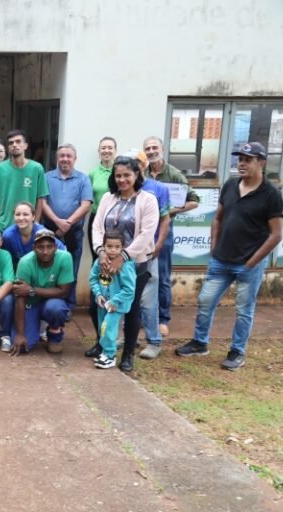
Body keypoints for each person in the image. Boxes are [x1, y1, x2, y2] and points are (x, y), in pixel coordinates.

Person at [176, 142, 283, 370]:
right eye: (239, 159)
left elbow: (276, 235)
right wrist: (214, 247)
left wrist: (252, 262)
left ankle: (237, 351)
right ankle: (200, 343)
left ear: (261, 163)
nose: (241, 164)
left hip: (248, 265)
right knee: (205, 301)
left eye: (247, 159)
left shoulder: (271, 194)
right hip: (221, 260)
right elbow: (218, 218)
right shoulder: (230, 186)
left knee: (244, 310)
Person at [88, 156, 159, 372]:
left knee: (130, 309)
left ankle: (127, 354)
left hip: (134, 264)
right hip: (105, 263)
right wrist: (101, 253)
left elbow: (147, 233)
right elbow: (97, 227)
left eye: (127, 175)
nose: (122, 180)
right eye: (118, 175)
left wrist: (123, 257)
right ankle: (104, 345)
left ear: (136, 175)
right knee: (97, 306)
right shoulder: (109, 199)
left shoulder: (148, 200)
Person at [143, 136, 199, 337]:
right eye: (147, 148)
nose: (151, 151)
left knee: (163, 276)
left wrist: (169, 211)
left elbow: (194, 201)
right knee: (143, 275)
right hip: (143, 233)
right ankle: (144, 316)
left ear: (163, 149)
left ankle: (163, 319)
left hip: (163, 232)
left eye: (154, 147)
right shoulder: (143, 174)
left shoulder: (174, 175)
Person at [126, 150, 171, 360]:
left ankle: (153, 340)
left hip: (146, 252)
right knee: (125, 295)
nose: (131, 170)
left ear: (143, 167)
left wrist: (159, 244)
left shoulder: (157, 189)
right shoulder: (122, 189)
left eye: (136, 165)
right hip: (124, 253)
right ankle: (129, 337)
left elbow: (165, 219)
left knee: (147, 298)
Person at [40, 143, 93, 309]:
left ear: (75, 159)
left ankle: (68, 306)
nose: (65, 159)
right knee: (48, 268)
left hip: (74, 232)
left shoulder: (83, 179)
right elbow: (42, 202)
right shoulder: (47, 177)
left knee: (71, 270)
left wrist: (67, 223)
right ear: (57, 158)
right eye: (61, 156)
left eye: (69, 156)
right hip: (50, 230)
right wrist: (57, 221)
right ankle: (48, 303)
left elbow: (86, 205)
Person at [9, 229, 74, 355]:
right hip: (30, 304)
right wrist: (20, 334)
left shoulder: (65, 258)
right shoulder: (25, 262)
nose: (45, 252)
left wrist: (32, 290)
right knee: (23, 347)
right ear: (33, 248)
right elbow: (20, 297)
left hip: (52, 302)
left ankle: (55, 333)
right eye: (40, 247)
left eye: (49, 247)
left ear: (55, 247)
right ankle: (33, 327)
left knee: (56, 308)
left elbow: (63, 291)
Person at [89, 230, 136, 369]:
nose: (113, 250)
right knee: (101, 328)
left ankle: (110, 356)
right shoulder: (99, 262)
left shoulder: (126, 266)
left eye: (117, 247)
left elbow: (129, 289)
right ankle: (104, 351)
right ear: (103, 247)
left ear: (123, 248)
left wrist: (115, 301)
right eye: (109, 246)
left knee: (108, 327)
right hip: (103, 303)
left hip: (116, 305)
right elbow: (93, 279)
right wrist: (98, 294)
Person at [0, 129, 48, 231]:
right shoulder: (0, 168)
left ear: (25, 146)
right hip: (3, 226)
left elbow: (40, 198)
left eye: (18, 141)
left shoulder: (37, 168)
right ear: (8, 147)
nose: (14, 145)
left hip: (28, 226)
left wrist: (36, 223)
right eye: (11, 143)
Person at [2, 202, 64, 268]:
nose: (21, 218)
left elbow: (62, 251)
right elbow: (9, 261)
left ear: (33, 216)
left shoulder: (42, 232)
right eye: (17, 214)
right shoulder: (8, 236)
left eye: (25, 214)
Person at [88, 137, 118, 261]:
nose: (106, 151)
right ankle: (97, 280)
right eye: (103, 148)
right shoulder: (93, 173)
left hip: (116, 219)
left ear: (115, 151)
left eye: (110, 148)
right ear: (99, 151)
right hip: (96, 218)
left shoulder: (120, 171)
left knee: (115, 256)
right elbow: (88, 197)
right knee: (97, 256)